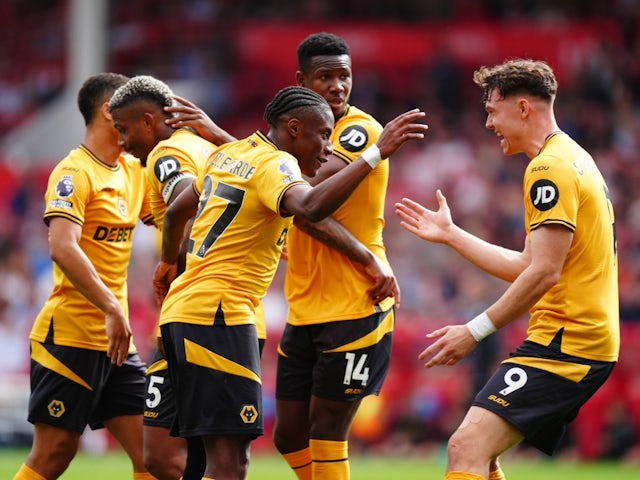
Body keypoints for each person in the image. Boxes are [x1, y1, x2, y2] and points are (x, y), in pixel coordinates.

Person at [152, 85, 427, 480]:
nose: (329, 148)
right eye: (322, 134)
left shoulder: (229, 153)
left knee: (206, 461)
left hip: (186, 311)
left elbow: (178, 209)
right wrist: (375, 152)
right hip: (219, 315)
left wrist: (166, 262)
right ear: (294, 129)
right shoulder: (276, 164)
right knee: (229, 466)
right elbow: (310, 207)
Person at [395, 59, 619, 480]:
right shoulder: (572, 157)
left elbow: (544, 273)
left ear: (522, 108)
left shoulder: (547, 169)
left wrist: (474, 331)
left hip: (568, 344)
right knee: (483, 455)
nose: (487, 123)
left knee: (465, 448)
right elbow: (527, 265)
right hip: (570, 338)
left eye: (492, 111)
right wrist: (452, 234)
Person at [13, 73, 157, 480]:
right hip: (71, 336)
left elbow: (165, 219)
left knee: (153, 455)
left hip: (116, 342)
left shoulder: (133, 171)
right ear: (110, 112)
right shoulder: (73, 173)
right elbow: (62, 246)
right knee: (55, 454)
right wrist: (112, 306)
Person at [272, 32, 402, 480]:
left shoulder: (360, 129)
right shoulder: (294, 135)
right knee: (288, 435)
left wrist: (367, 258)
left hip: (356, 300)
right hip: (306, 304)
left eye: (343, 76)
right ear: (301, 81)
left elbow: (309, 201)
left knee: (327, 430)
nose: (337, 86)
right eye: (324, 77)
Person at [108, 75, 235, 480]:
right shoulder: (207, 147)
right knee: (182, 458)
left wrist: (168, 261)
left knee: (183, 459)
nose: (123, 142)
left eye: (125, 130)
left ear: (149, 121)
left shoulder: (168, 153)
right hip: (199, 315)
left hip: (207, 317)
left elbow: (185, 200)